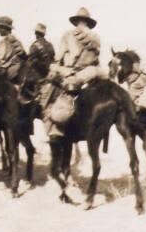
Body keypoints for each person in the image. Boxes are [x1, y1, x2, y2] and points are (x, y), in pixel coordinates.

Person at [41, 7, 103, 138]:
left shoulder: (68, 35)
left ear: (76, 22)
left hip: (72, 74)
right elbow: (97, 58)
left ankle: (56, 127)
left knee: (50, 92)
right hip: (90, 72)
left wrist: (55, 67)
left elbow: (58, 57)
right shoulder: (96, 37)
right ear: (88, 22)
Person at [0, 16, 26, 82]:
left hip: (8, 71)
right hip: (16, 70)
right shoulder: (15, 39)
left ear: (5, 28)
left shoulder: (5, 41)